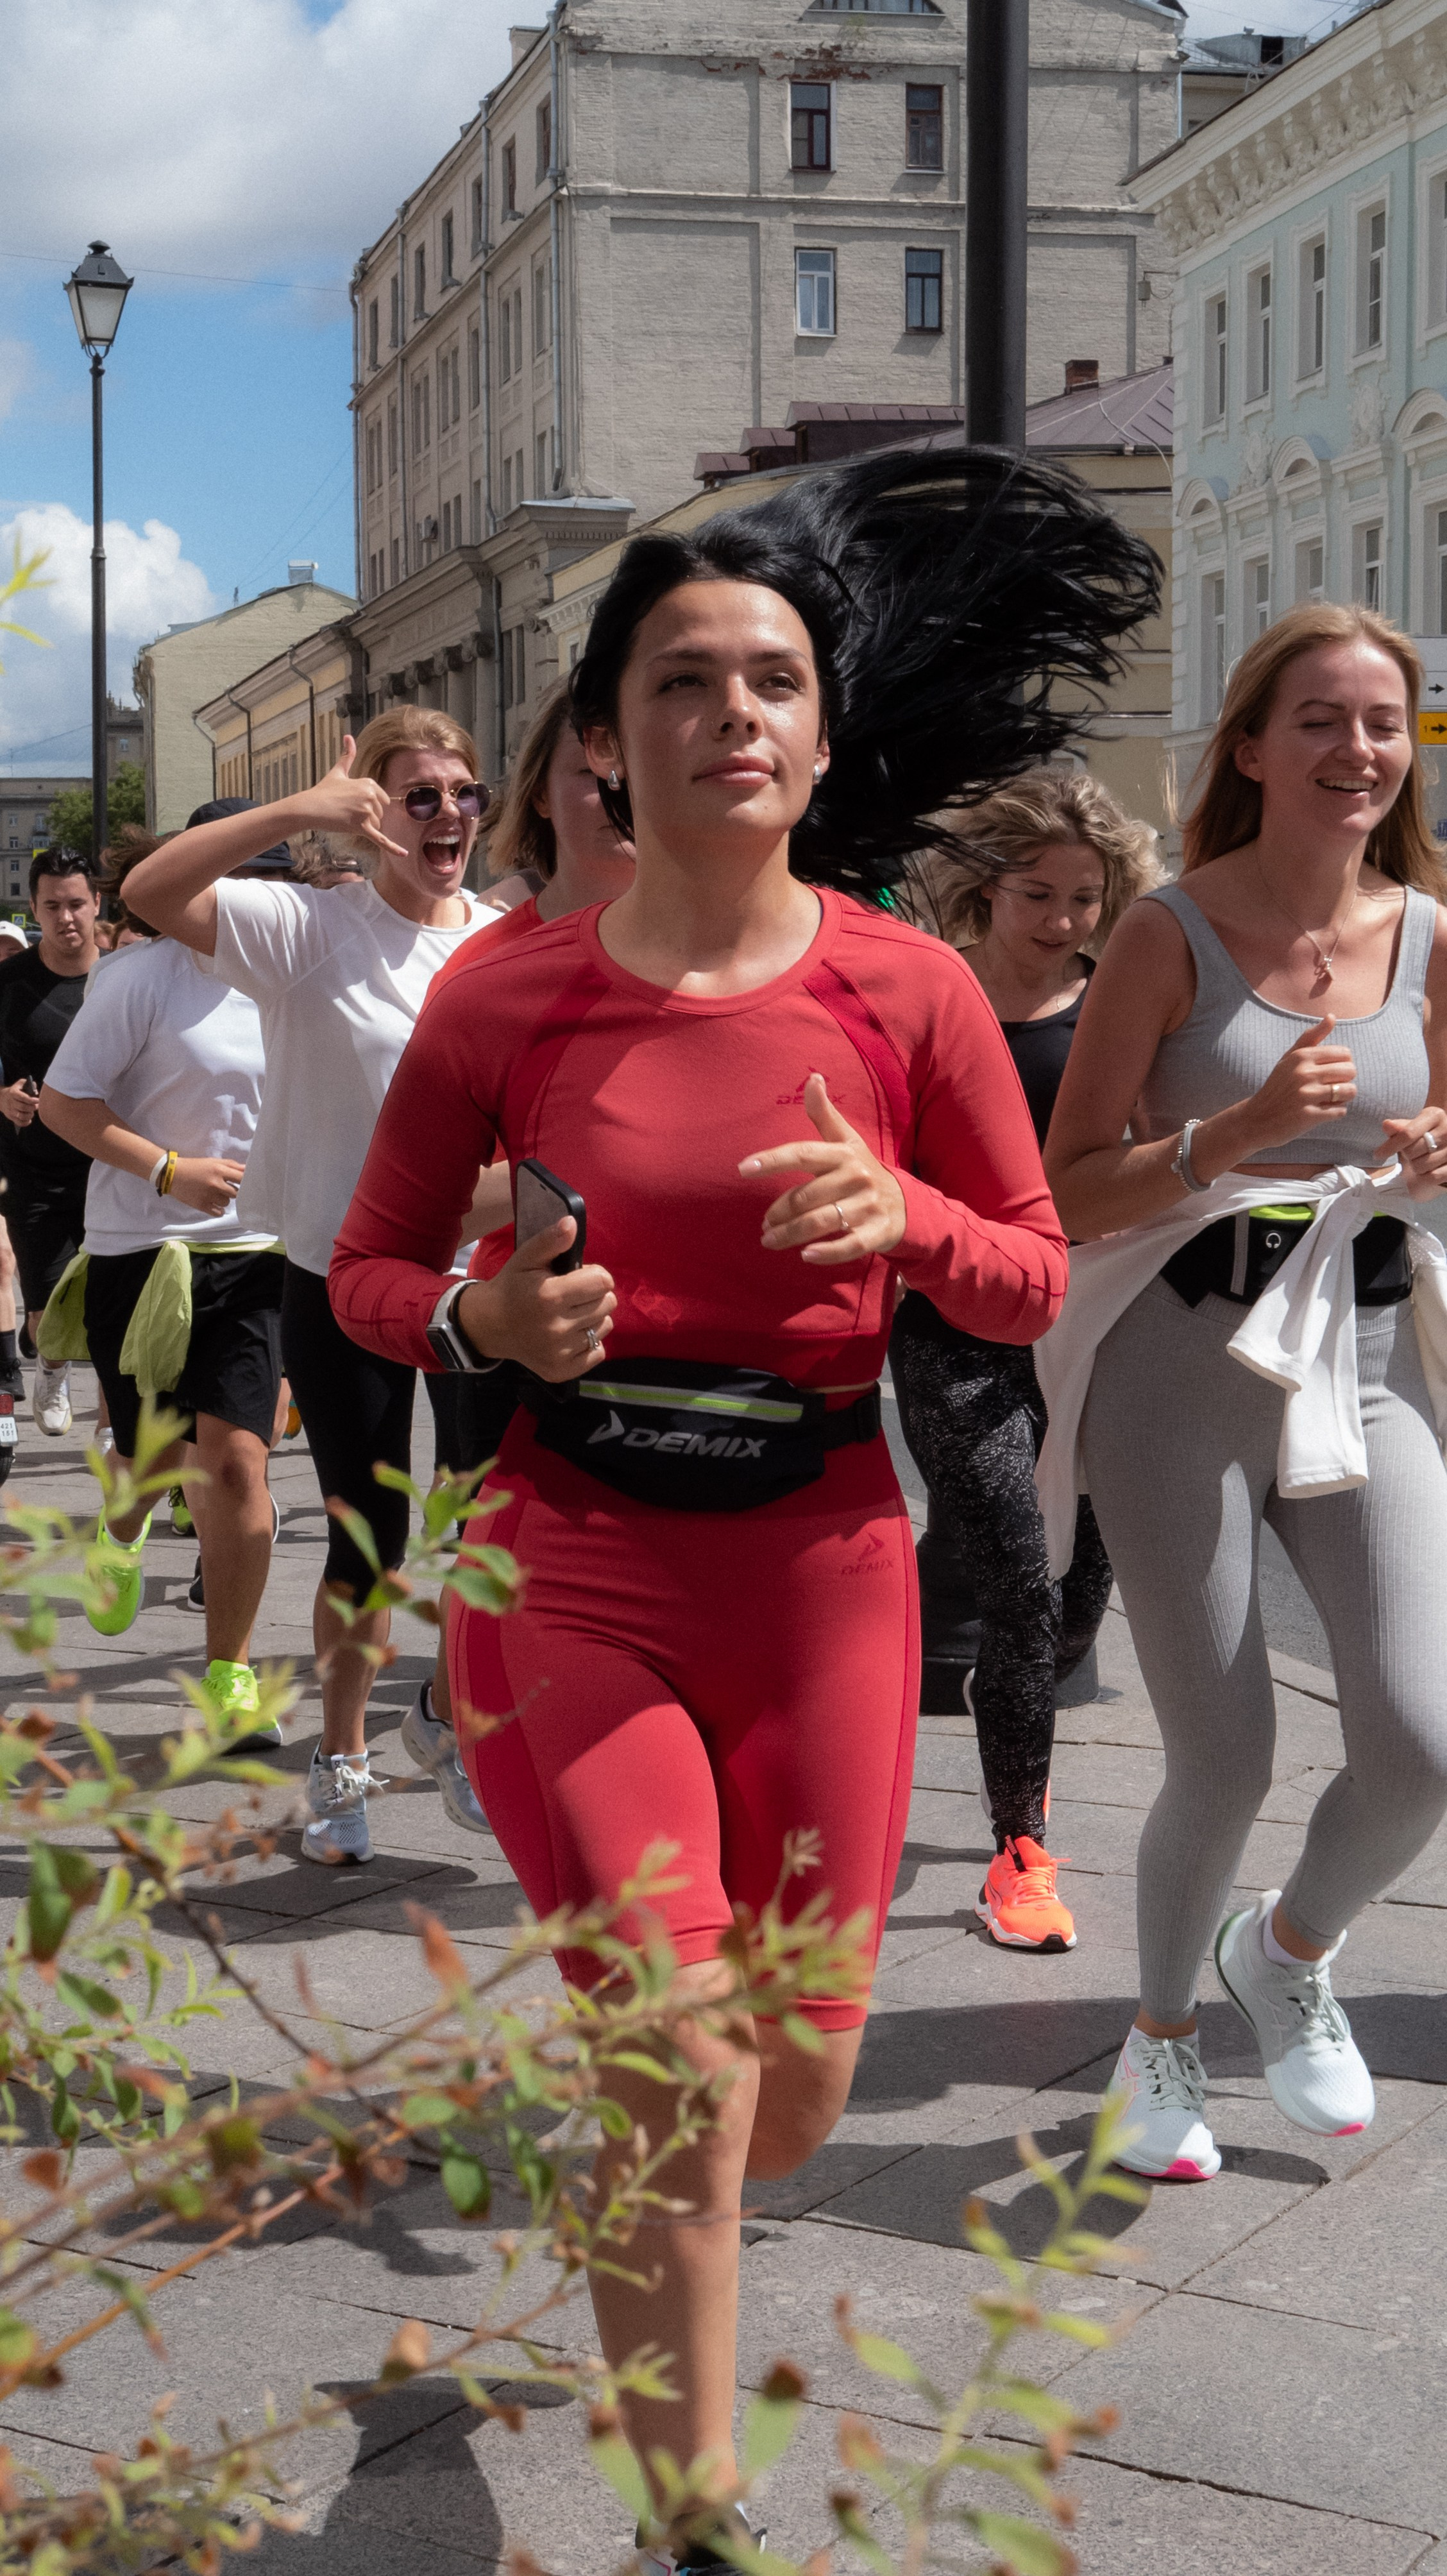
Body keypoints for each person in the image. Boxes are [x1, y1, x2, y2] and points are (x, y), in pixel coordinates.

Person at [328, 445, 1156, 2547]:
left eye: (769, 680)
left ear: (817, 729)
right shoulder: (506, 989)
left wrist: (901, 1217)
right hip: (568, 1559)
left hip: (819, 1568)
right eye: (682, 681)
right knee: (678, 2078)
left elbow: (1033, 1265)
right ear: (606, 736)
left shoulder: (907, 988)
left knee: (779, 2096)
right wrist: (481, 1328)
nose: (731, 716)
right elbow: (368, 1270)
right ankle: (688, 2517)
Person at [1040, 603, 1447, 2182]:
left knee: (1422, 1734)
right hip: (1178, 1363)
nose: (1357, 750)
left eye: (1383, 723)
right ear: (1253, 745)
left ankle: (1284, 1949)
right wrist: (1239, 1126)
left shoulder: (1426, 933)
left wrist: (1427, 1152)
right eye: (1323, 719)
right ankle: (1157, 2042)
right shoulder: (1166, 932)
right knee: (1225, 1747)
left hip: (1360, 1348)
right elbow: (1067, 1191)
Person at [125, 715, 502, 1863]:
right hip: (341, 1278)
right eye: (418, 796)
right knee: (370, 1536)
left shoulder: (502, 942)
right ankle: (342, 1766)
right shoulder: (306, 928)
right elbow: (148, 891)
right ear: (374, 810)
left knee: (493, 1532)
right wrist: (296, 813)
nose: (446, 817)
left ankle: (447, 1719)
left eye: (463, 794)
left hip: (479, 1287)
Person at [891, 773, 1161, 1953]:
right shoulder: (932, 997)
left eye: (1085, 898)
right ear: (986, 889)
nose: (1061, 920)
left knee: (1075, 1601)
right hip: (955, 1321)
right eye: (1037, 894)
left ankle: (1000, 1716)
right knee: (1014, 1569)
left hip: (1099, 1326)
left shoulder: (1122, 1010)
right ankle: (1019, 1844)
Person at [38, 833, 284, 1741]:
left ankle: (231, 1672)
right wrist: (168, 1168)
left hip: (256, 1250)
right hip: (141, 1247)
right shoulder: (141, 980)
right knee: (155, 1450)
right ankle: (123, 1520)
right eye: (245, 887)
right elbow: (67, 1104)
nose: (263, 910)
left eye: (277, 888)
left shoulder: (293, 985)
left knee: (236, 1463)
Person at [0, 851, 101, 1435]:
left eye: (77, 904)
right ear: (35, 909)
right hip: (33, 1167)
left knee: (115, 1302)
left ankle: (119, 1421)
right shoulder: (10, 983)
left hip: (112, 1164)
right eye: (52, 906)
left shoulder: (119, 975)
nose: (67, 918)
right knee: (46, 1311)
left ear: (97, 905)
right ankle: (52, 1367)